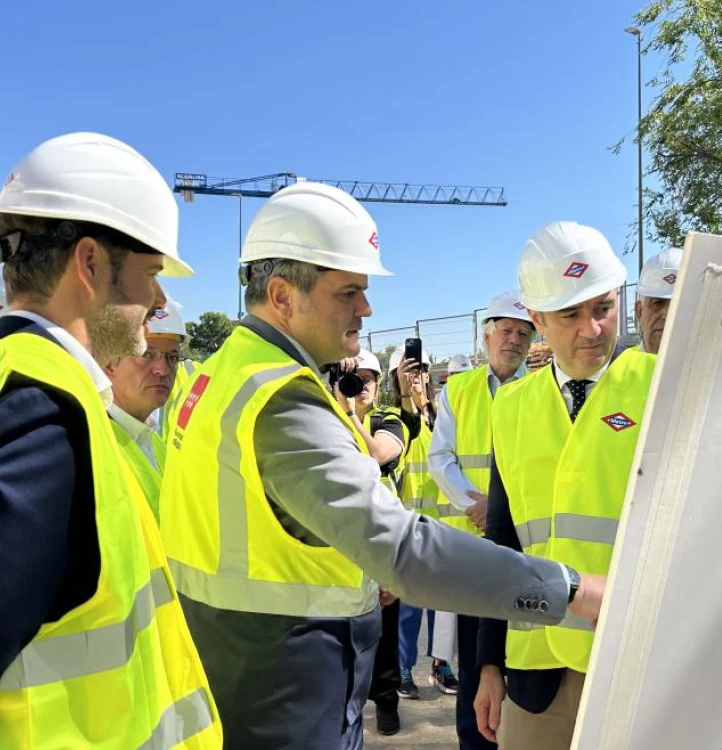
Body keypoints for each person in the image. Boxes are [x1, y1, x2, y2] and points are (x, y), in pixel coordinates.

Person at [158, 182, 605, 750]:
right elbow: (405, 551)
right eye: (349, 291)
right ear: (281, 295)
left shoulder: (219, 375)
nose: (366, 309)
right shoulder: (282, 399)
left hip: (236, 675)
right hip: (288, 698)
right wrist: (570, 589)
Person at [0, 132, 221, 748]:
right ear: (90, 263)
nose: (157, 301)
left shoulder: (43, 391)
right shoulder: (43, 412)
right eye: (151, 275)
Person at [474, 221, 657, 750]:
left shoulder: (661, 384)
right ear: (536, 319)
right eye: (569, 314)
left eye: (602, 307)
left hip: (635, 660)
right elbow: (503, 539)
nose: (592, 329)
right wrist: (488, 662)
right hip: (537, 672)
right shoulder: (509, 407)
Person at [429, 290, 535, 750]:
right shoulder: (458, 390)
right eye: (506, 331)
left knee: (526, 660)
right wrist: (479, 507)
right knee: (476, 663)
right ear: (486, 335)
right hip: (473, 551)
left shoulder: (545, 389)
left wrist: (499, 512)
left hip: (528, 547)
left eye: (523, 333)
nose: (513, 340)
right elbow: (440, 459)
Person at [335, 348, 418, 736]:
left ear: (379, 383)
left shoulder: (389, 420)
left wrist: (348, 412)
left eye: (367, 379)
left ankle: (386, 702)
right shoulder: (327, 417)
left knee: (384, 631)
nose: (360, 386)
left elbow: (376, 454)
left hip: (384, 541)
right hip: (342, 543)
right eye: (353, 378)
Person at [391, 346, 460, 701]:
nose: (419, 378)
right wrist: (410, 401)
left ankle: (441, 663)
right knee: (409, 606)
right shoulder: (395, 417)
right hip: (406, 528)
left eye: (423, 373)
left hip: (441, 526)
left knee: (442, 606)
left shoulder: (442, 414)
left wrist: (426, 405)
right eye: (410, 372)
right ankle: (404, 667)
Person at [105, 295, 189, 521]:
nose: (162, 369)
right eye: (146, 354)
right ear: (109, 362)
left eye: (171, 357)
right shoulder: (93, 443)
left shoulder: (155, 444)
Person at [635, 247, 683, 354]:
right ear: (640, 312)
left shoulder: (720, 368)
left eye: (680, 304)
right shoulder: (619, 368)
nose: (667, 315)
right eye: (657, 303)